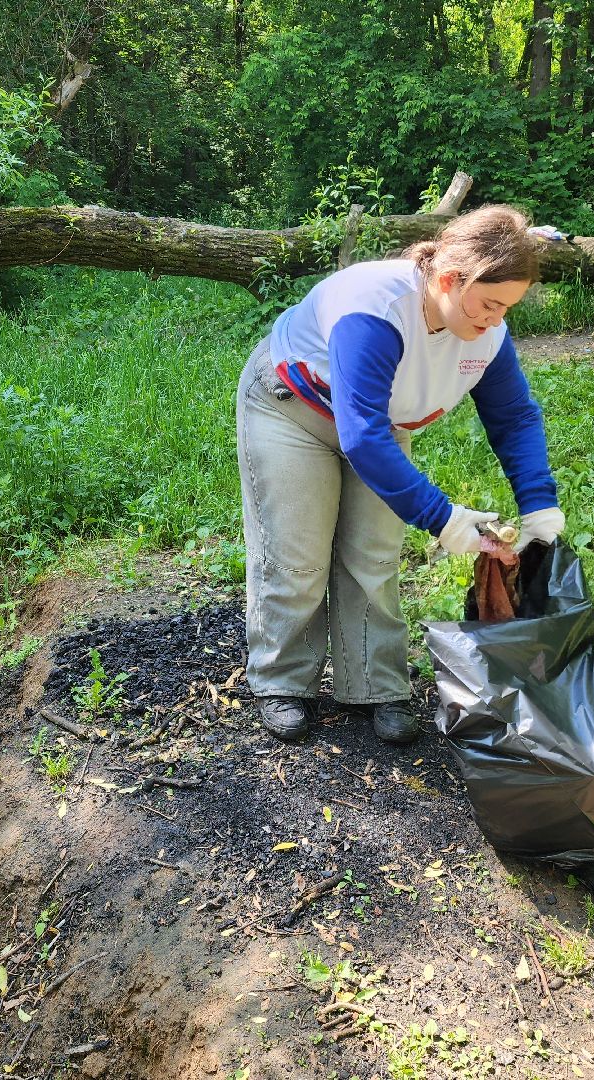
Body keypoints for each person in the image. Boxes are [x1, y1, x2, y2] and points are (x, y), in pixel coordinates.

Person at [236, 204, 563, 747]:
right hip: (290, 409)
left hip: (377, 424)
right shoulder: (379, 309)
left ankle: (375, 687)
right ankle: (282, 681)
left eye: (508, 308)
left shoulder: (487, 334)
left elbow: (514, 416)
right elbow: (360, 435)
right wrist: (444, 518)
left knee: (374, 555)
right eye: (489, 304)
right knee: (297, 557)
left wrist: (539, 505)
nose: (496, 320)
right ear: (449, 279)